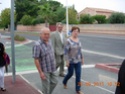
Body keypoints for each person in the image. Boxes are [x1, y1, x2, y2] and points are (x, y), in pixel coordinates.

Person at [32, 27, 58, 94]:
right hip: (45, 70)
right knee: (45, 88)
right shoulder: (37, 45)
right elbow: (36, 59)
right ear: (40, 34)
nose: (47, 36)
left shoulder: (50, 41)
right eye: (45, 34)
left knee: (55, 82)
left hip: (53, 68)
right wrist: (40, 72)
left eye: (48, 34)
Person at [62, 26, 84, 94]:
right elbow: (65, 52)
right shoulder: (68, 40)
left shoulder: (78, 40)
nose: (76, 33)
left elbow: (80, 50)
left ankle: (78, 90)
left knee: (78, 74)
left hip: (78, 60)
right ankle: (64, 81)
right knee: (70, 73)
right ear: (72, 32)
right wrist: (67, 61)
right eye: (74, 31)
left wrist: (82, 58)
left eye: (77, 31)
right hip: (71, 61)